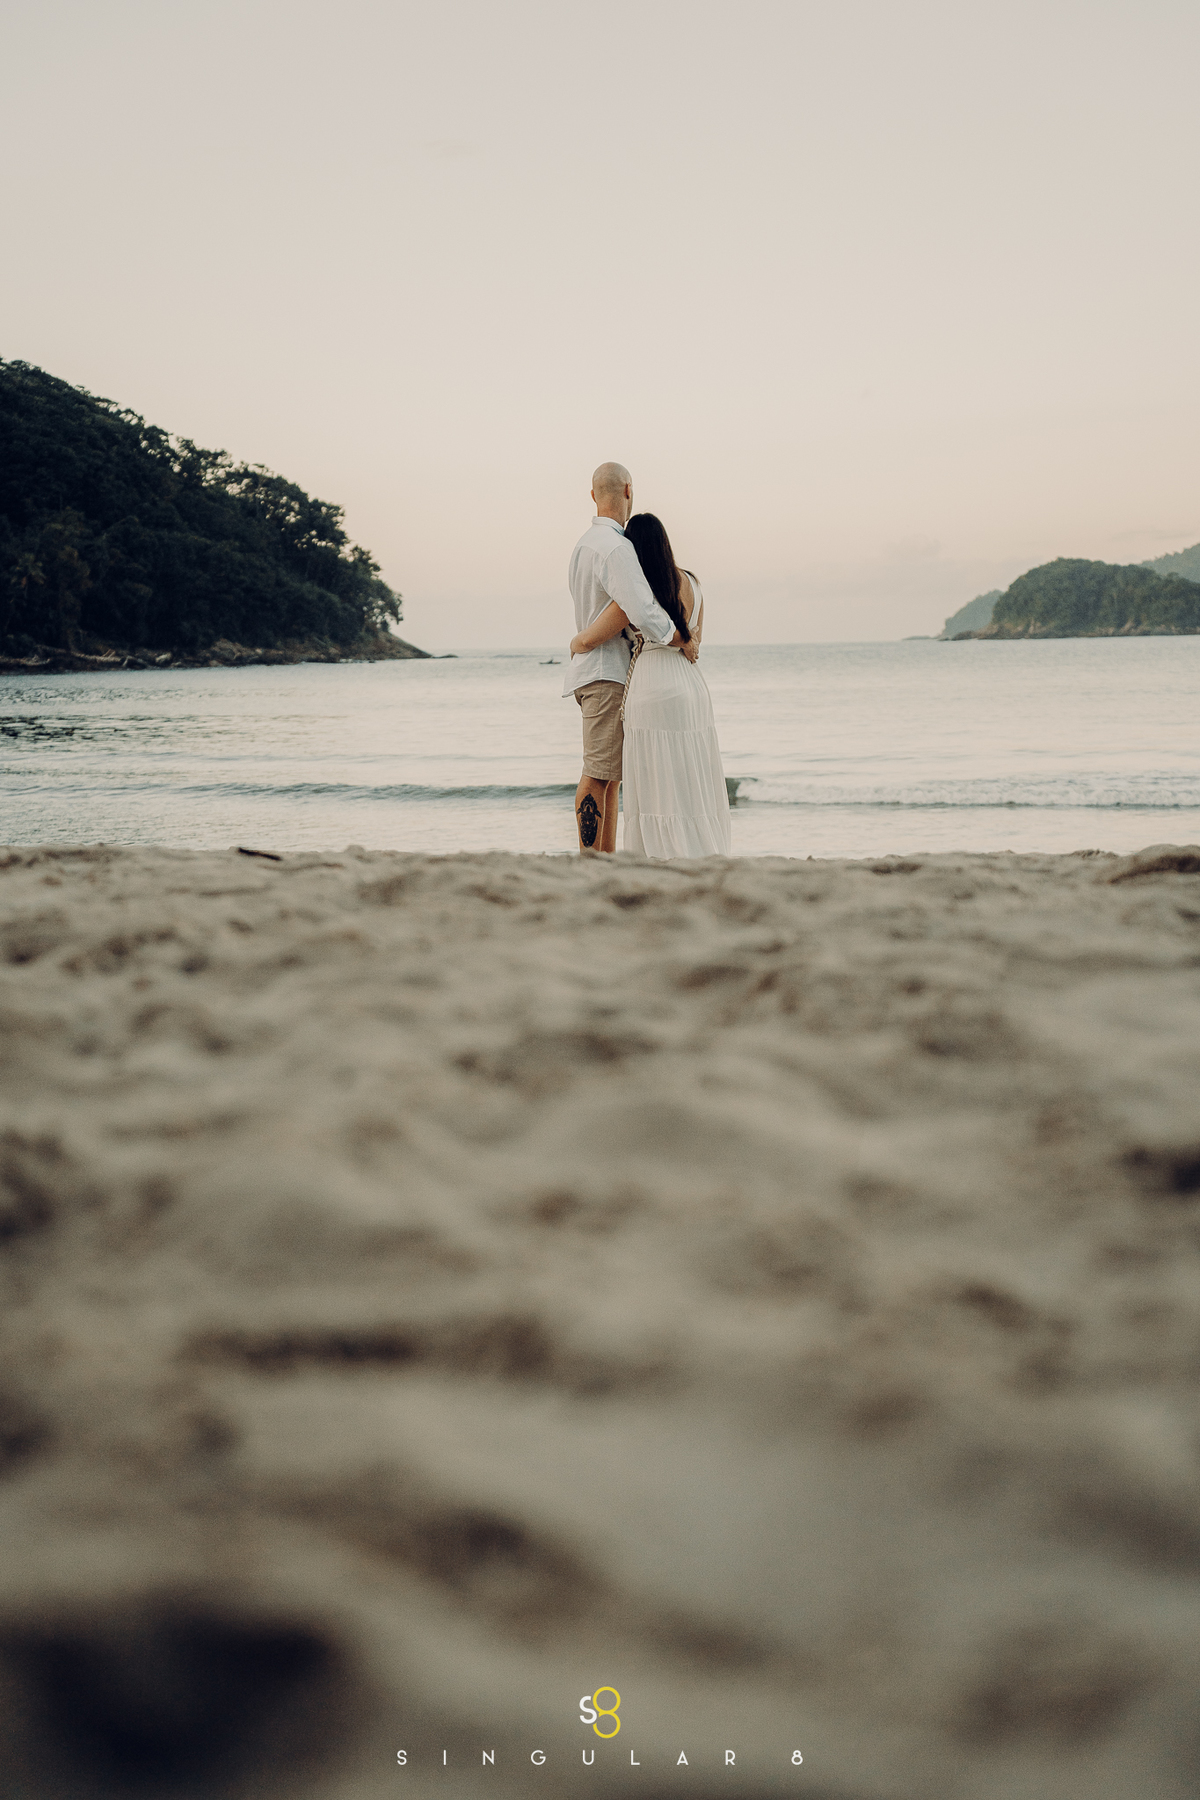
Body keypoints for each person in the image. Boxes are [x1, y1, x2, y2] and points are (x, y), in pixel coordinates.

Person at [569, 512, 732, 858]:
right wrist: (685, 641)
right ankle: (700, 846)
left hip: (652, 681)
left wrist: (576, 643)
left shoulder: (641, 591)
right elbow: (697, 638)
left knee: (656, 775)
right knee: (690, 769)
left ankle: (661, 848)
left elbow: (597, 634)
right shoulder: (693, 583)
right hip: (690, 683)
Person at [564, 463, 697, 852]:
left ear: (593, 495)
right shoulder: (618, 548)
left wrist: (582, 641)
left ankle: (603, 858)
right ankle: (591, 860)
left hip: (593, 671)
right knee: (597, 773)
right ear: (628, 490)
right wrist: (680, 638)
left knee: (609, 776)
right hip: (607, 673)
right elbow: (639, 608)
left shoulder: (583, 545)